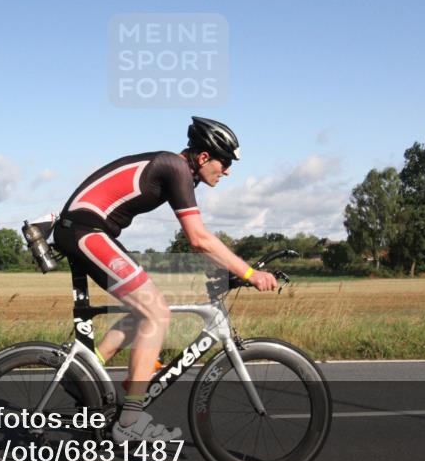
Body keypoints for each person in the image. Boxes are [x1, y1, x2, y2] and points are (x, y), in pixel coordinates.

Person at [52, 117, 278, 443]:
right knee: (157, 311)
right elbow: (198, 238)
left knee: (145, 308)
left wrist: (229, 268)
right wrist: (249, 273)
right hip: (85, 230)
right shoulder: (175, 168)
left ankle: (85, 373)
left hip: (87, 229)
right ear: (203, 157)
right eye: (224, 162)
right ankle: (129, 420)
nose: (227, 171)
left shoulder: (175, 169)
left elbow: (196, 241)